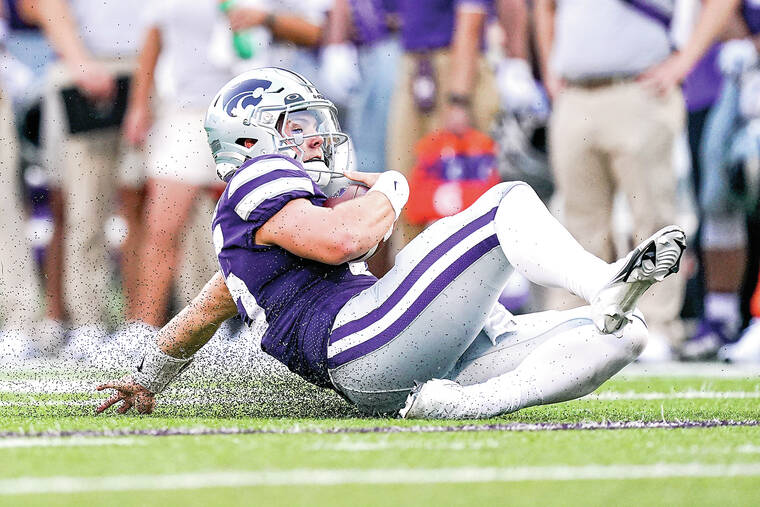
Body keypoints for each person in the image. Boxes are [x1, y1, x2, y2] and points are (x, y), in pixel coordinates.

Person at [96, 68, 685, 419]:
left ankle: (458, 406)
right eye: (295, 126)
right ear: (252, 143)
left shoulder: (251, 250)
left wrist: (147, 381)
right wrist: (395, 188)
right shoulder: (257, 180)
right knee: (507, 202)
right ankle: (602, 280)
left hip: (390, 365)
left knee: (624, 335)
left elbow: (200, 314)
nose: (314, 138)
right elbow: (343, 240)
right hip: (363, 341)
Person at [534, 0, 739, 360]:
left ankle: (656, 326)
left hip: (640, 88)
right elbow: (544, 6)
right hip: (575, 93)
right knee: (578, 224)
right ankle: (575, 326)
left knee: (652, 219)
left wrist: (684, 61)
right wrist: (550, 66)